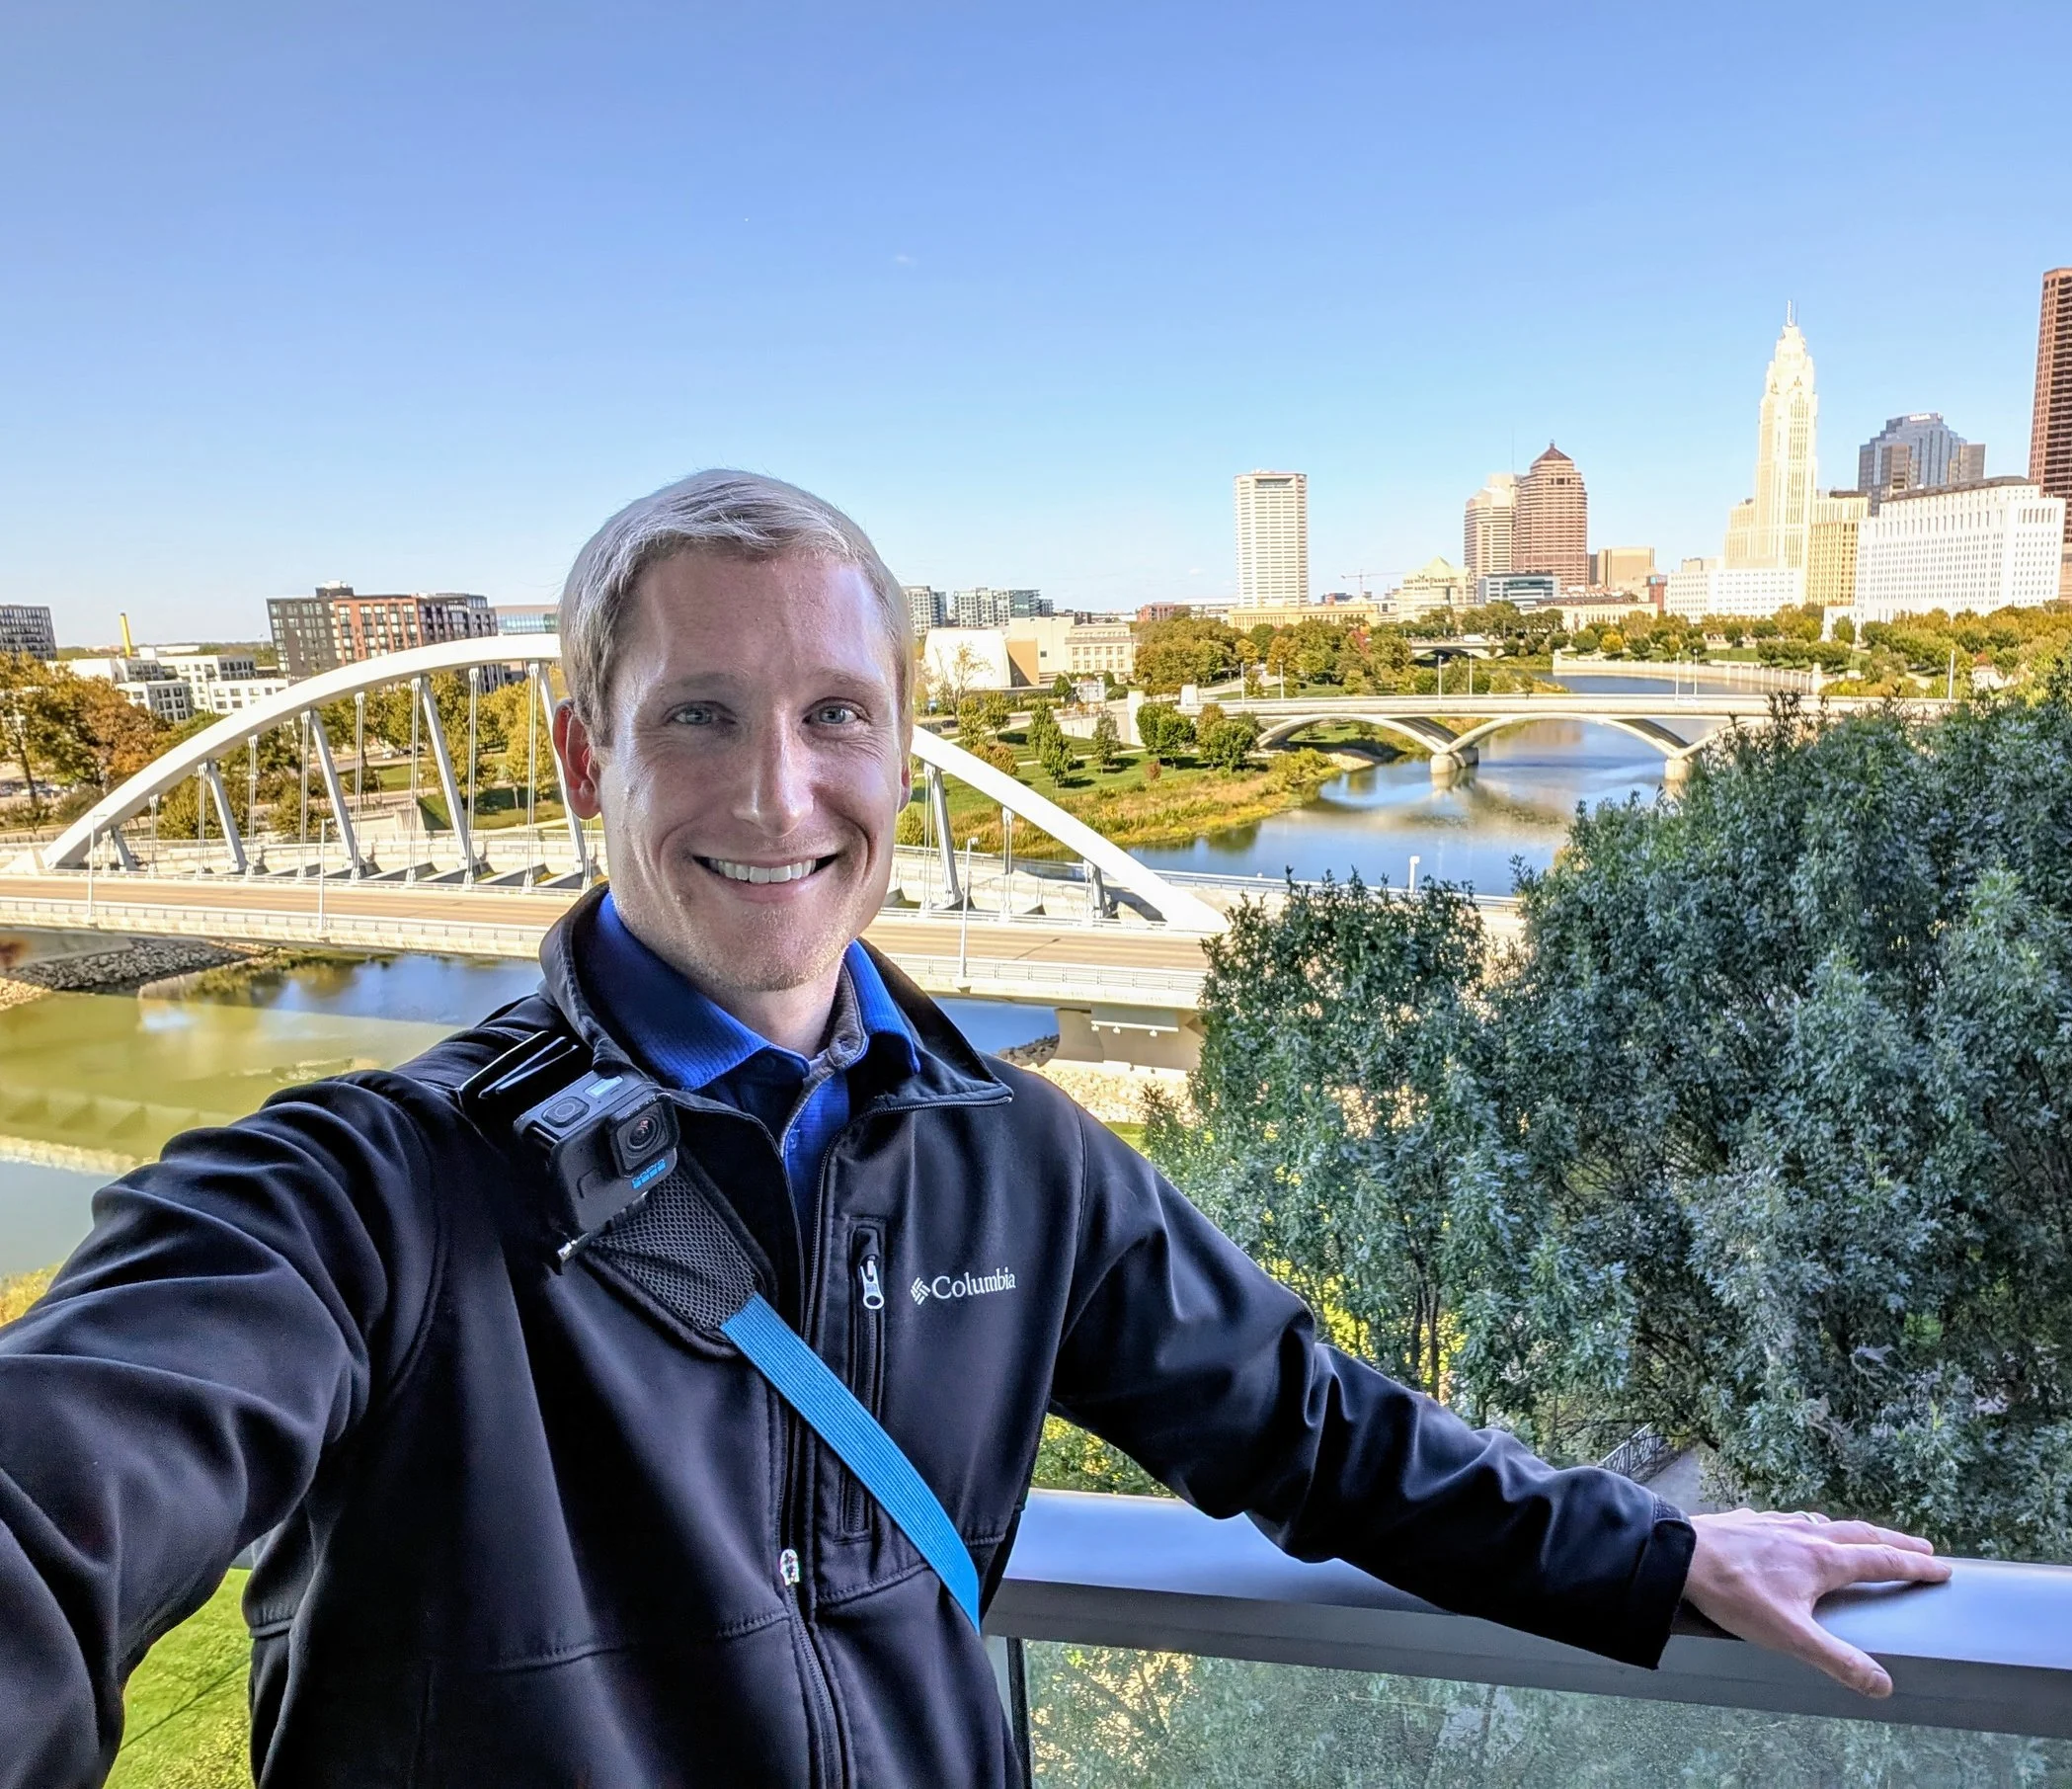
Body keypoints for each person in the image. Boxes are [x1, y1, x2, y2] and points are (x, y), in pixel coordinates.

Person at [0, 471, 1948, 1786]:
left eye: (834, 713)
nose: (778, 792)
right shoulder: (361, 1192)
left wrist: (1645, 1555)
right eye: (698, 718)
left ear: (902, 752)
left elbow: (1318, 1434)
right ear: (586, 756)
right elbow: (71, 1480)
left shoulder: (1011, 1155)